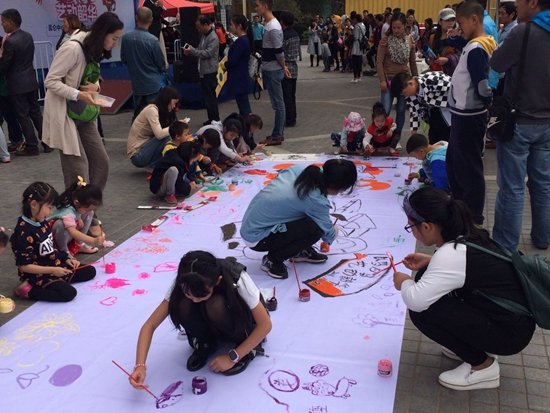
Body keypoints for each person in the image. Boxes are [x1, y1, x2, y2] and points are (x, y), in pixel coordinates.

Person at [393, 187, 535, 390]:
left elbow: (416, 299)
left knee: (422, 310)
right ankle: (470, 344)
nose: (412, 232)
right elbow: (467, 270)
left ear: (426, 226)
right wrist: (431, 261)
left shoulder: (451, 254)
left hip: (509, 333)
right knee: (427, 279)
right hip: (511, 319)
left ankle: (482, 366)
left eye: (411, 227)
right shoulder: (466, 234)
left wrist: (404, 282)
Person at [129, 251, 272, 383]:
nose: (195, 300)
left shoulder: (235, 276)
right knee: (181, 304)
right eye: (188, 294)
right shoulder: (184, 282)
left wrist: (233, 356)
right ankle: (206, 342)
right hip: (213, 324)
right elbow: (150, 325)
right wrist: (140, 366)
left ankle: (246, 349)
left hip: (240, 323)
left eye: (201, 295)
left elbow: (265, 325)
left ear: (217, 281)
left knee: (215, 304)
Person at [490, 0, 550, 252]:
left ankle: (506, 245)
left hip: (520, 121)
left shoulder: (524, 32)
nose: (519, 7)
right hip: (547, 123)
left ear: (534, 3)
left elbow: (497, 64)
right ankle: (543, 238)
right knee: (543, 183)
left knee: (512, 187)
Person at [43, 12, 123, 190]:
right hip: (65, 114)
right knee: (78, 168)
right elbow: (50, 81)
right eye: (114, 38)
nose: (114, 43)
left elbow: (92, 78)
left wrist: (96, 88)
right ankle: (76, 212)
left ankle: (89, 208)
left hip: (83, 113)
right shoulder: (72, 49)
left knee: (101, 162)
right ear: (103, 33)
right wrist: (78, 94)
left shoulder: (93, 48)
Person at [240, 159, 357, 279]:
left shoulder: (301, 170)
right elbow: (328, 235)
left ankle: (298, 251)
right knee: (316, 229)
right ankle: (272, 260)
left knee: (306, 216)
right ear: (338, 187)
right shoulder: (315, 200)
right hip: (257, 237)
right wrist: (334, 230)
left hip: (250, 224)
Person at [446, 2, 497, 225]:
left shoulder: (477, 49)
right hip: (464, 114)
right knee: (455, 162)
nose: (460, 27)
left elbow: (482, 84)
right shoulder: (476, 44)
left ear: (474, 20)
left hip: (470, 116)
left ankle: (473, 214)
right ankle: (460, 205)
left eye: (462, 23)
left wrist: (487, 102)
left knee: (469, 166)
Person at [10, 182, 97, 302]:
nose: (51, 213)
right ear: (34, 204)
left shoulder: (42, 221)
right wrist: (53, 270)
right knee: (69, 293)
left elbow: (51, 248)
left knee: (90, 271)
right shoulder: (22, 232)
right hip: (39, 275)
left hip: (54, 265)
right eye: (49, 207)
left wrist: (66, 258)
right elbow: (24, 267)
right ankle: (27, 290)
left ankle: (61, 279)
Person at [0, 9, 50, 156]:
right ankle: (47, 143)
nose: (2, 25)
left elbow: (4, 65)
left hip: (17, 84)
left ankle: (32, 146)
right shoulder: (28, 36)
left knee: (23, 116)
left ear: (10, 22)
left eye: (3, 22)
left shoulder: (10, 41)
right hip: (31, 81)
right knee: (36, 113)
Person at [377, 12, 418, 148]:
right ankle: (380, 137)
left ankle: (396, 138)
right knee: (386, 110)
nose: (396, 30)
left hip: (404, 81)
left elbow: (412, 62)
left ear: (404, 26)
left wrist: (416, 80)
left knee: (401, 110)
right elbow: (379, 62)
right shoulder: (385, 41)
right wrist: (382, 80)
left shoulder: (409, 41)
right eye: (394, 27)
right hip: (388, 80)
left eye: (399, 27)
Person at [121, 7, 166, 121]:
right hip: (154, 85)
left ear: (136, 18)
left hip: (137, 85)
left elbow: (124, 59)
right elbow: (161, 65)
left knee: (139, 118)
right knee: (155, 118)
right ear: (151, 20)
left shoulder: (126, 38)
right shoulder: (153, 40)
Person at [256, 0, 291, 147]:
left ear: (265, 6)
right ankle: (277, 134)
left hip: (273, 70)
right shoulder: (269, 25)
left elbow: (278, 51)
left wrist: (284, 67)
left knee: (278, 104)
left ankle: (277, 135)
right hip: (270, 69)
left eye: (257, 5)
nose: (256, 8)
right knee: (277, 104)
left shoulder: (274, 27)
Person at [391, 71, 452, 144]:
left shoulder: (432, 79)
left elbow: (455, 87)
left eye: (404, 92)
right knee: (433, 142)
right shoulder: (411, 95)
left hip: (451, 112)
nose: (405, 95)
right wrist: (414, 132)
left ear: (410, 83)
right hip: (433, 115)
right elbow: (414, 112)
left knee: (448, 142)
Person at [127, 86, 180, 169]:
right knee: (167, 137)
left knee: (172, 135)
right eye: (174, 103)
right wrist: (176, 126)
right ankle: (155, 165)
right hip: (137, 155)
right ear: (167, 100)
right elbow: (159, 134)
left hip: (145, 150)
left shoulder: (162, 112)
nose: (174, 106)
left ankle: (160, 164)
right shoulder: (151, 110)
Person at [50, 176, 105, 255]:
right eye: (86, 209)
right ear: (76, 202)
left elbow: (79, 212)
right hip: (52, 238)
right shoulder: (67, 212)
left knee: (90, 213)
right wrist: (93, 240)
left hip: (67, 232)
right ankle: (64, 253)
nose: (87, 211)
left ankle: (79, 244)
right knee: (61, 224)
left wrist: (79, 217)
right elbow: (73, 232)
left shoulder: (74, 200)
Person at [184, 15, 219, 124]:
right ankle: (211, 119)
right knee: (207, 98)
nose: (198, 29)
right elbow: (200, 49)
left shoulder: (213, 37)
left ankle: (215, 120)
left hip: (210, 71)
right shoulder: (204, 36)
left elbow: (207, 53)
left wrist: (193, 51)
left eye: (199, 27)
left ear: (205, 25)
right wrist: (192, 50)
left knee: (211, 98)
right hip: (204, 71)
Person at [466, 0, 499, 90]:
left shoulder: (483, 25)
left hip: (486, 80)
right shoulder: (486, 21)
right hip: (487, 79)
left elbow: (481, 56)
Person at [224, 14, 252, 118]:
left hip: (239, 77)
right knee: (243, 106)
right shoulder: (243, 40)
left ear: (239, 26)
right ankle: (246, 128)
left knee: (244, 107)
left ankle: (248, 129)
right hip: (240, 77)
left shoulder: (241, 41)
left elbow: (233, 61)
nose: (230, 27)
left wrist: (226, 64)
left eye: (231, 24)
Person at [426, 8, 461, 76]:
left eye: (453, 20)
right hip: (436, 74)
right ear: (440, 22)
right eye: (447, 20)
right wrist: (428, 60)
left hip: (453, 74)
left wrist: (448, 59)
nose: (450, 23)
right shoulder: (433, 37)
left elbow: (461, 56)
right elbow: (428, 55)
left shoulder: (458, 37)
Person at [495, 2, 518, 95]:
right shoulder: (503, 28)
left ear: (512, 14)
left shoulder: (514, 30)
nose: (500, 16)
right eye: (499, 13)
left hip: (506, 74)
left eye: (502, 13)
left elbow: (500, 49)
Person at [281, 11, 300, 128]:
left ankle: (289, 119)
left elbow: (280, 52)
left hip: (285, 67)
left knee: (286, 95)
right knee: (292, 95)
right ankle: (293, 117)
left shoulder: (284, 35)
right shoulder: (295, 34)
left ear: (282, 22)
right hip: (294, 67)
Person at [350, 14, 366, 83]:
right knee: (359, 62)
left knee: (355, 62)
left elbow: (355, 37)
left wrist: (351, 33)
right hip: (361, 44)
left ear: (356, 19)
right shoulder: (363, 25)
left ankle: (355, 77)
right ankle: (359, 76)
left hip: (356, 45)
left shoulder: (356, 26)